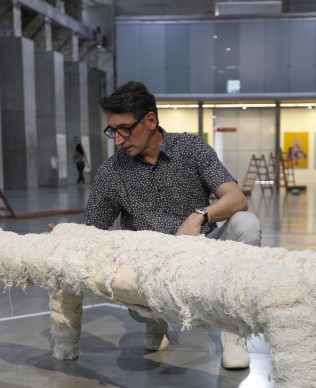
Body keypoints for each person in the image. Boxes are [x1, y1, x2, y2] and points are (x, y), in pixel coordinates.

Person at [83, 81, 261, 369]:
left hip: (201, 251)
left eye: (125, 129)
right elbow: (92, 232)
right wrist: (66, 236)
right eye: (112, 130)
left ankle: (234, 330)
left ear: (150, 120)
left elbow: (236, 198)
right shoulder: (111, 171)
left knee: (246, 224)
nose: (118, 139)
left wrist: (199, 215)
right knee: (126, 285)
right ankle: (156, 319)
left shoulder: (191, 148)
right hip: (148, 267)